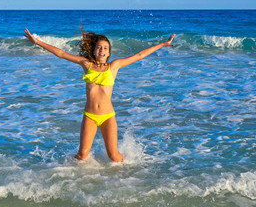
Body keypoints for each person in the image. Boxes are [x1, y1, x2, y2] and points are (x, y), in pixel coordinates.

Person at [24, 27, 175, 162]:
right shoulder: (87, 64)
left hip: (108, 116)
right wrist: (37, 42)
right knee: (82, 155)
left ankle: (128, 170)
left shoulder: (114, 66)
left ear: (109, 52)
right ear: (94, 50)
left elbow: (139, 55)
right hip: (89, 115)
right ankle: (66, 171)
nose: (102, 51)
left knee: (114, 156)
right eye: (99, 47)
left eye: (105, 48)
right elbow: (61, 53)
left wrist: (163, 44)